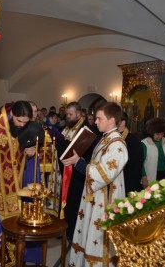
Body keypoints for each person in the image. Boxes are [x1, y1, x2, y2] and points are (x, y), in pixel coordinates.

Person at [63, 102, 128, 267]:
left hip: (105, 201)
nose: (95, 122)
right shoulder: (105, 140)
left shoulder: (118, 145)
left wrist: (79, 163)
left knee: (99, 241)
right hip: (95, 198)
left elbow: (103, 174)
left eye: (99, 118)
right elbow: (96, 165)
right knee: (88, 235)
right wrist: (79, 161)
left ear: (112, 120)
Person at [0, 100, 43, 264]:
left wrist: (29, 152)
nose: (22, 125)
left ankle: (15, 259)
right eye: (19, 121)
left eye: (26, 122)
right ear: (11, 115)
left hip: (17, 185)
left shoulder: (25, 127)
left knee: (16, 226)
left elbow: (21, 152)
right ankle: (0, 261)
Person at [56, 101, 96, 241]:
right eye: (66, 114)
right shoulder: (67, 128)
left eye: (70, 114)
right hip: (66, 171)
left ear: (79, 114)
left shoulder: (85, 130)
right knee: (66, 201)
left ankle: (72, 232)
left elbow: (83, 151)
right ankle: (63, 229)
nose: (67, 117)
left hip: (78, 175)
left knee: (74, 204)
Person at [118, 112, 144, 194]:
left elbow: (136, 165)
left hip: (128, 183)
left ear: (123, 122)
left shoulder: (133, 141)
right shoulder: (110, 137)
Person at [141, 117, 165, 187]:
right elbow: (141, 162)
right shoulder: (145, 143)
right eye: (157, 134)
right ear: (152, 133)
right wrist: (144, 177)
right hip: (151, 175)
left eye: (162, 134)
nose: (160, 136)